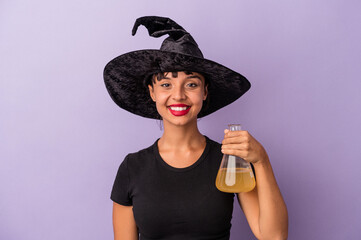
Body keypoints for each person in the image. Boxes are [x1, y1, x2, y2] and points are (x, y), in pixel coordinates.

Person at [104, 16, 288, 240]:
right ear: (153, 92)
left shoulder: (229, 161)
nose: (179, 95)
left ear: (205, 92)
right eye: (166, 84)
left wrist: (262, 161)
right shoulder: (132, 168)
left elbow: (274, 236)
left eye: (191, 84)